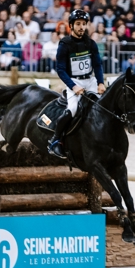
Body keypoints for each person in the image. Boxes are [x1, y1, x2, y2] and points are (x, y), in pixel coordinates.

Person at [49, 9, 106, 159]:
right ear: (71, 26)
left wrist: (100, 82)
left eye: (83, 24)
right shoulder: (65, 44)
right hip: (74, 81)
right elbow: (60, 70)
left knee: (102, 107)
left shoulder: (91, 43)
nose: (81, 27)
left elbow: (98, 65)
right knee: (73, 109)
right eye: (78, 24)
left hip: (90, 80)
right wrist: (73, 86)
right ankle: (55, 141)